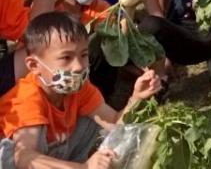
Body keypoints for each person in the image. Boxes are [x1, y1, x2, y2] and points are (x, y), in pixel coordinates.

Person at [0, 12, 161, 167]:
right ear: (34, 66)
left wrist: (136, 98)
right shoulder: (27, 98)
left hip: (56, 159)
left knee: (93, 121)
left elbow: (114, 124)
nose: (78, 66)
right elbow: (25, 159)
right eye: (66, 58)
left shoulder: (80, 89)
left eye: (83, 55)